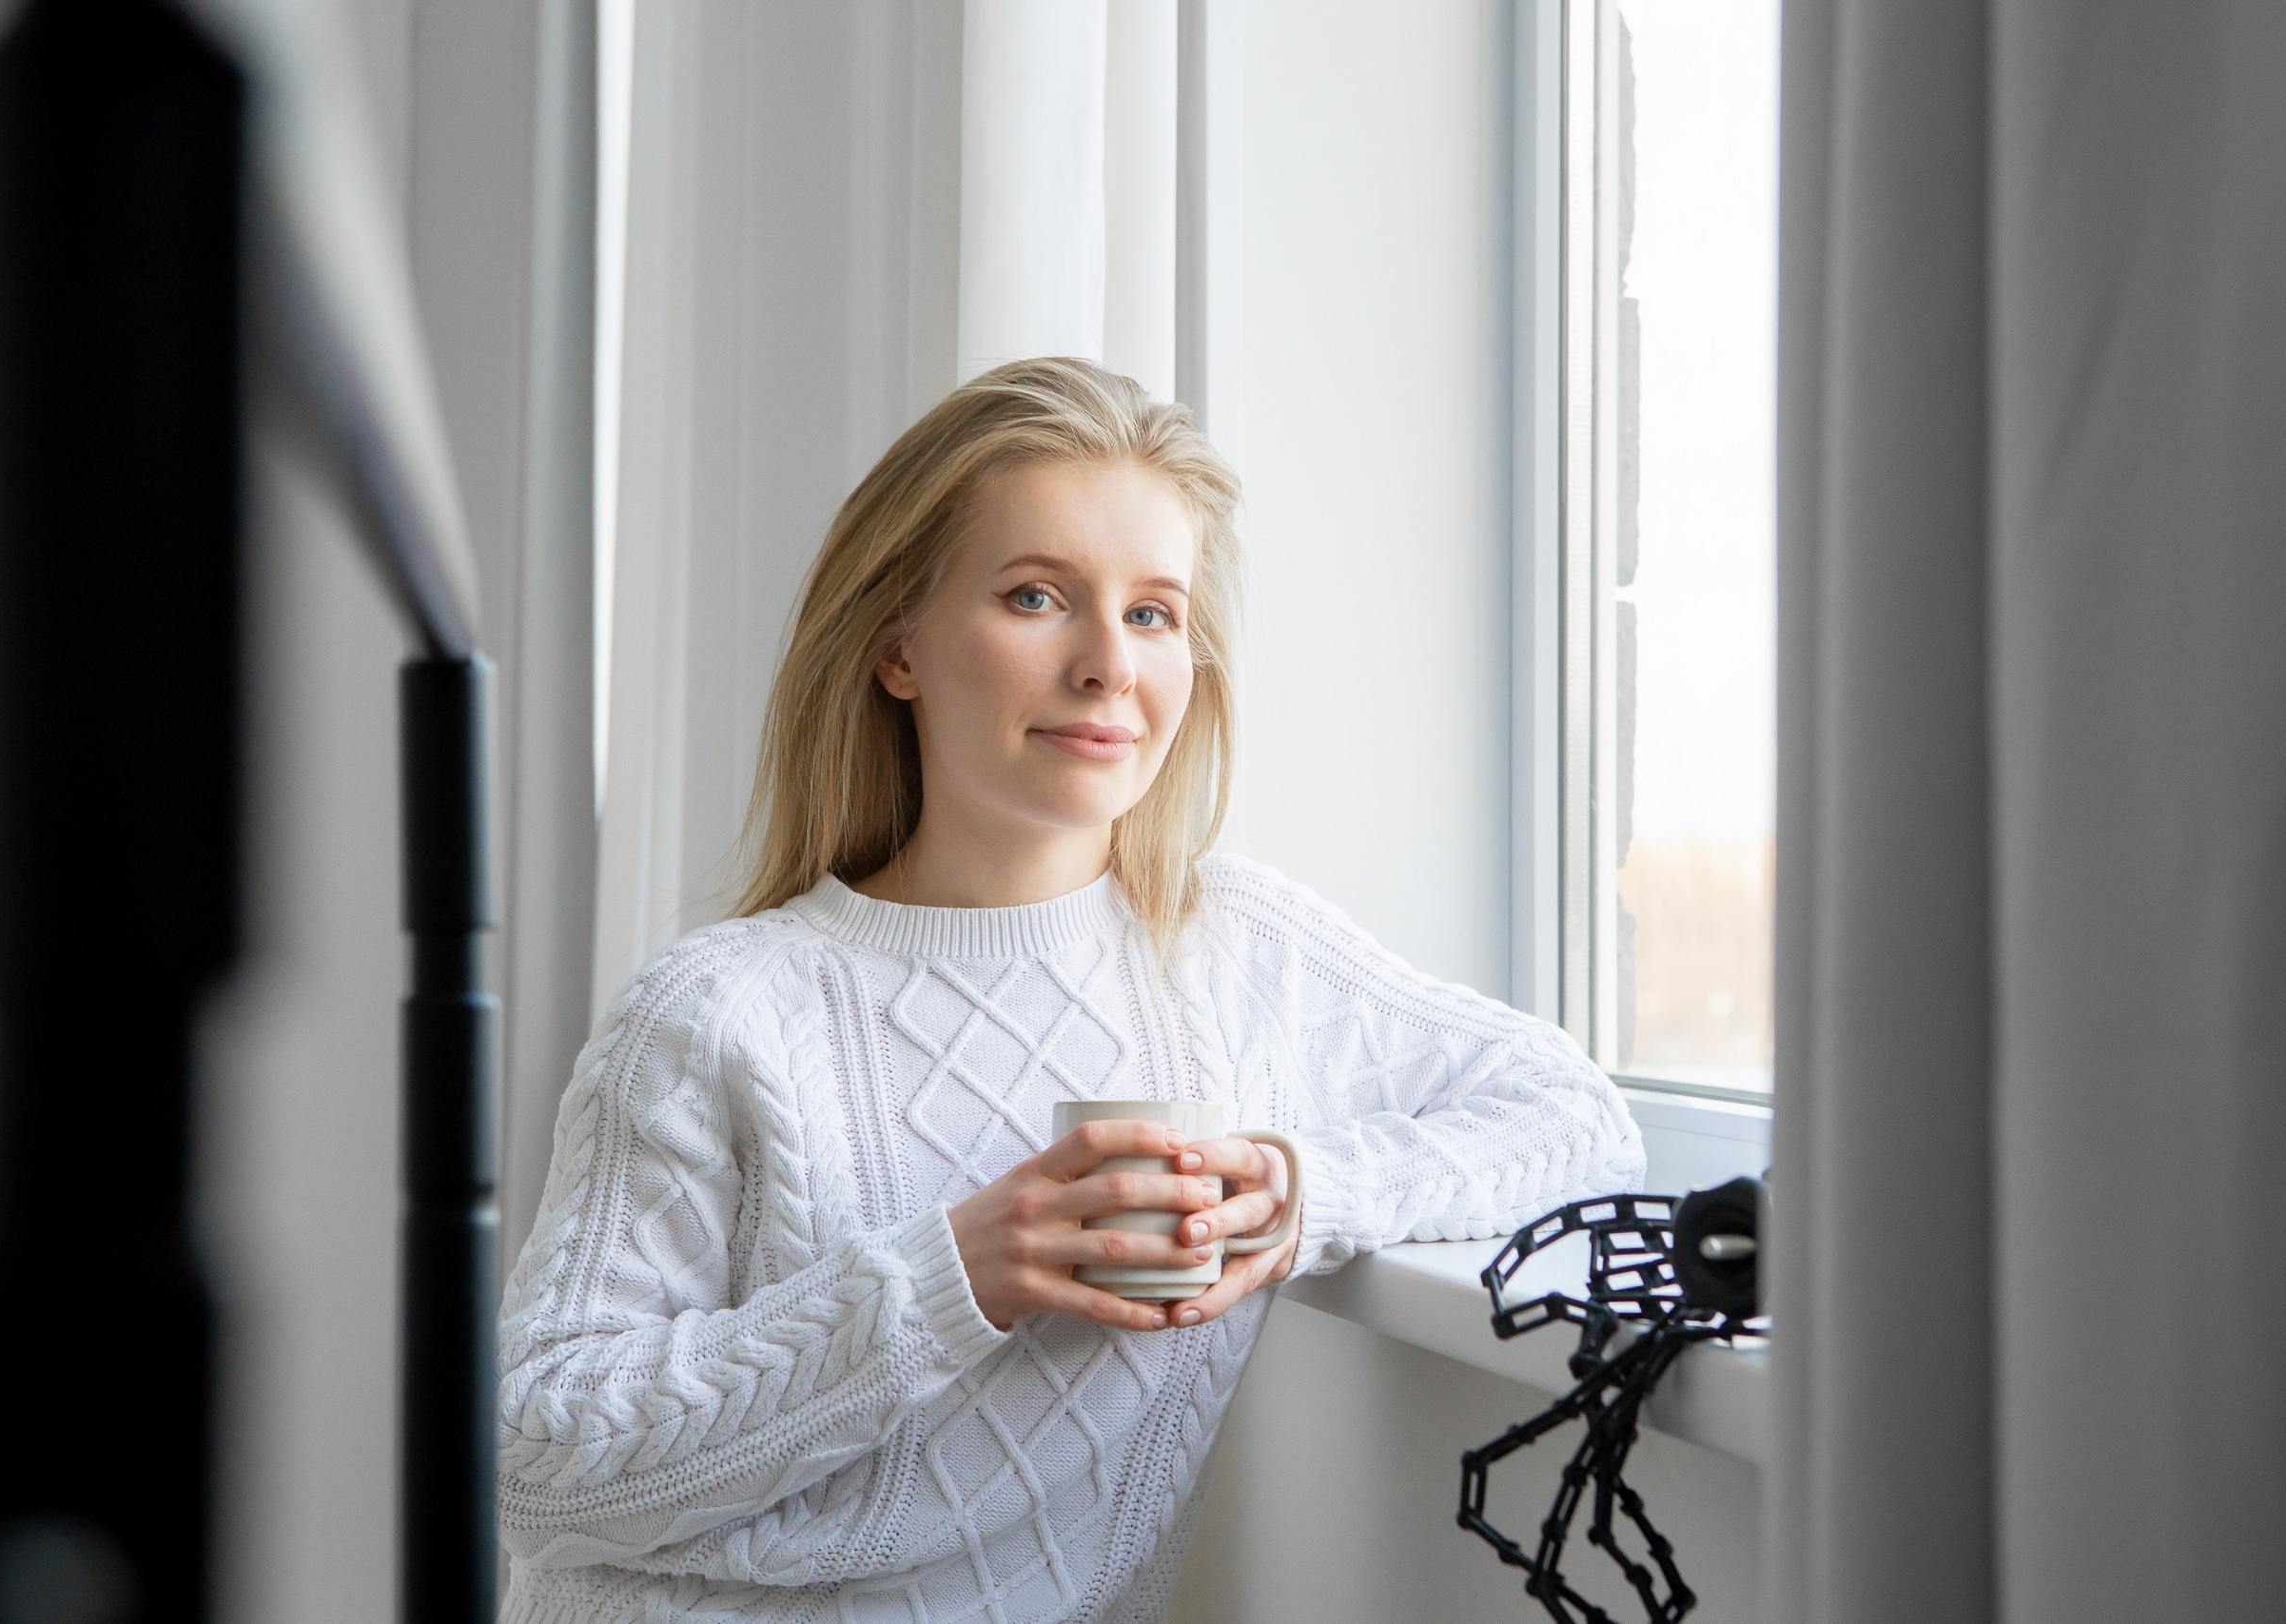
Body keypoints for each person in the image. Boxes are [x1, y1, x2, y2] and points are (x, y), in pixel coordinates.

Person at [495, 358, 1645, 1623]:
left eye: (1154, 613)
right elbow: (536, 1460)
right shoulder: (719, 1010)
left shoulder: (1239, 957)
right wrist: (953, 1282)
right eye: (1038, 596)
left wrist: (1299, 1194)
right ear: (897, 649)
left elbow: (1576, 1115)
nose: (1109, 665)